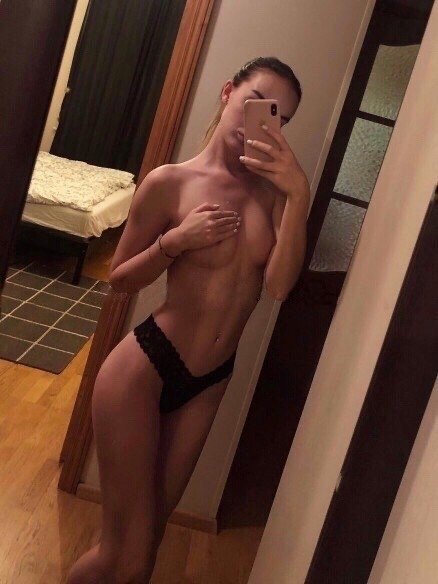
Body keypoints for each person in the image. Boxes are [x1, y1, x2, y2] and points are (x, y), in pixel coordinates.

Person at [66, 56, 310, 583]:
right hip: (144, 369)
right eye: (258, 102)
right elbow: (120, 279)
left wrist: (299, 194)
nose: (266, 121)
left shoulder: (274, 196)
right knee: (123, 555)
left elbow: (279, 286)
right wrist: (174, 242)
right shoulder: (171, 182)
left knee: (147, 547)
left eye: (280, 118)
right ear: (228, 92)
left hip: (209, 383)